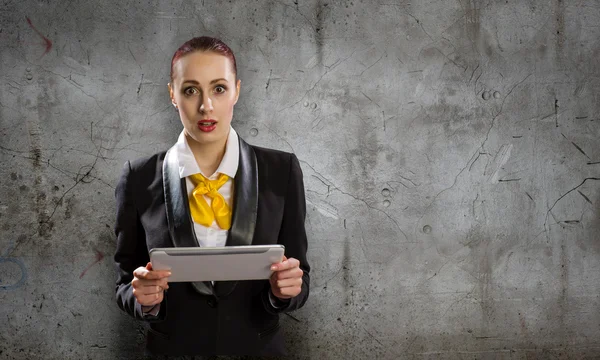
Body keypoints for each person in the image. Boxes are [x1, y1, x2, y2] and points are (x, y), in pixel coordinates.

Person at [113, 36, 310, 357]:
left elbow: (301, 277)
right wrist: (142, 297)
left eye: (219, 88)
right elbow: (124, 284)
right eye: (190, 90)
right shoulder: (138, 177)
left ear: (237, 91)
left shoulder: (281, 170)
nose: (206, 105)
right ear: (172, 95)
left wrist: (285, 292)